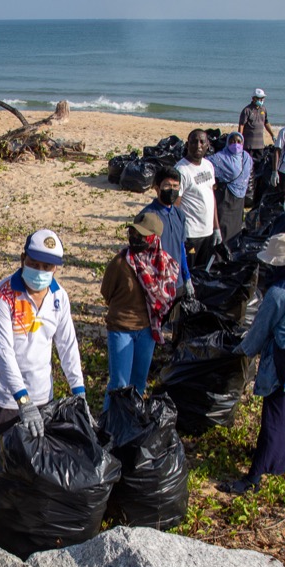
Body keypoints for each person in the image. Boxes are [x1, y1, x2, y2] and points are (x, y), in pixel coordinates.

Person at [0, 229, 85, 519]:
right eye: (35, 264)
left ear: (56, 268)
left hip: (41, 394)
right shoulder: (4, 295)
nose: (41, 272)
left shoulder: (59, 297)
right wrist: (22, 401)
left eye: (48, 267)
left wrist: (78, 390)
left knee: (25, 457)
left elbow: (67, 344)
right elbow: (4, 351)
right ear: (23, 259)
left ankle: (4, 511)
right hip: (1, 397)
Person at [222, 233, 285, 495]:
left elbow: (258, 333)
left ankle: (255, 477)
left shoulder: (279, 294)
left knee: (275, 416)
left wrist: (237, 351)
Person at [100, 212, 177, 410]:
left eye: (141, 236)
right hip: (121, 329)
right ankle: (109, 425)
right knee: (119, 384)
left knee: (139, 383)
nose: (135, 238)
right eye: (133, 233)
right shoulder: (120, 263)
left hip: (147, 331)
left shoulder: (164, 266)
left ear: (154, 239)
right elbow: (106, 292)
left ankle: (131, 423)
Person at [142, 167, 192, 296]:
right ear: (157, 188)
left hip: (177, 283)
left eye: (176, 186)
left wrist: (186, 277)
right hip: (156, 286)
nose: (172, 190)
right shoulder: (147, 217)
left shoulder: (179, 215)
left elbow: (181, 248)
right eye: (167, 186)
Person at [175, 129, 222, 267]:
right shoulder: (181, 170)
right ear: (187, 144)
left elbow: (211, 197)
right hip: (191, 234)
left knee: (203, 272)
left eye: (202, 142)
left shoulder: (208, 166)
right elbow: (175, 206)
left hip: (207, 232)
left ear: (208, 145)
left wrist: (216, 227)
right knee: (190, 272)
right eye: (194, 141)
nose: (198, 145)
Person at [211, 131, 253, 243]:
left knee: (236, 227)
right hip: (225, 197)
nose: (236, 144)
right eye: (232, 141)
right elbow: (208, 168)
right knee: (224, 225)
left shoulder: (246, 158)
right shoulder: (219, 158)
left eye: (238, 141)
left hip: (239, 199)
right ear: (227, 143)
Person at [238, 88, 275, 161]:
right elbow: (241, 125)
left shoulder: (263, 109)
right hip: (248, 145)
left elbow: (266, 122)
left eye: (262, 98)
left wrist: (272, 135)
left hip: (260, 145)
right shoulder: (247, 110)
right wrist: (240, 139)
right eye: (259, 98)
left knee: (259, 164)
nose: (261, 100)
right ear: (253, 98)